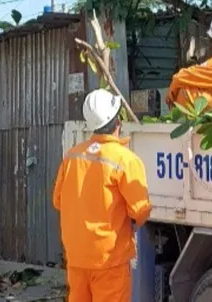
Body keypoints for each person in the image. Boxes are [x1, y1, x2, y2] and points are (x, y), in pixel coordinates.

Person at [53, 90, 152, 302]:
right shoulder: (126, 160)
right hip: (109, 259)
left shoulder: (72, 156)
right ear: (118, 121)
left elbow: (58, 201)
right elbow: (140, 211)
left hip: (77, 257)